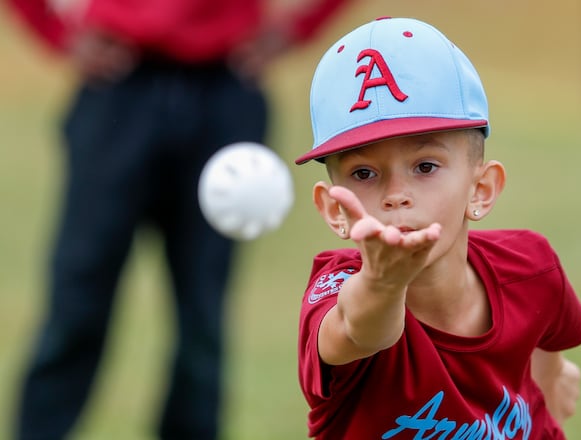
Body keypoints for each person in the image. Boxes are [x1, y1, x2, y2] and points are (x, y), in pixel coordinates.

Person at [4, 0, 351, 438]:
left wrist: (299, 28)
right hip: (118, 87)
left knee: (201, 317)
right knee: (77, 304)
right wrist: (54, 32)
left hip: (223, 96)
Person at [294, 17, 581, 439]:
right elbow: (358, 330)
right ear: (333, 209)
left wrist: (553, 372)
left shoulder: (530, 266)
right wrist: (381, 283)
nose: (396, 194)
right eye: (363, 173)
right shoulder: (336, 291)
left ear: (482, 189)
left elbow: (550, 332)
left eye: (425, 166)